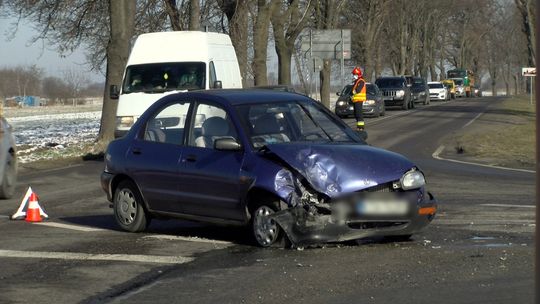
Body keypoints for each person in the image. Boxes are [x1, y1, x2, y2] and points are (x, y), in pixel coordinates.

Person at [351, 66, 366, 131]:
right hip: (356, 100)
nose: (354, 75)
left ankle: (361, 127)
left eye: (355, 74)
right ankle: (359, 126)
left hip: (359, 100)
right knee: (356, 113)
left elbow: (358, 90)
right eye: (354, 74)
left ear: (358, 74)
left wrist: (353, 92)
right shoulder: (357, 81)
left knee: (359, 114)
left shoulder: (361, 81)